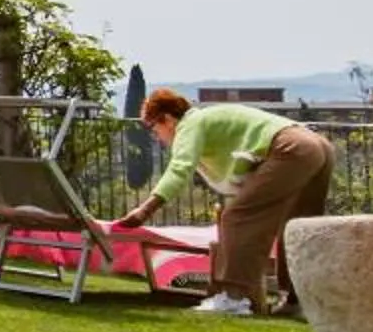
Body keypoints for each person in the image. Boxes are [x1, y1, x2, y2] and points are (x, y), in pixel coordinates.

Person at [108, 89, 334, 317]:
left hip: (291, 148)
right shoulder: (209, 119)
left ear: (166, 119)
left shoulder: (190, 124)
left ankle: (235, 298)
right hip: (317, 145)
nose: (157, 137)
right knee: (296, 228)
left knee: (237, 218)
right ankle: (297, 301)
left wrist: (145, 210)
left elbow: (179, 168)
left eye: (154, 128)